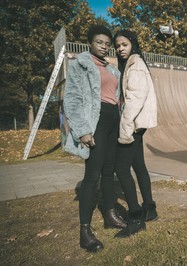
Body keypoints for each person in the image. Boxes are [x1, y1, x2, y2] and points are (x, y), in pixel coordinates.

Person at [63, 25, 126, 252]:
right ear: (90, 42)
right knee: (92, 175)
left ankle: (109, 215)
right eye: (99, 42)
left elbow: (118, 99)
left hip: (113, 122)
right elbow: (71, 99)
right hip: (95, 123)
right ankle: (85, 231)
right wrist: (82, 130)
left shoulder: (113, 70)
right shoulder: (80, 64)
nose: (104, 47)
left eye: (107, 44)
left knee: (109, 172)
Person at [113, 30, 158, 238]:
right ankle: (149, 208)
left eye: (124, 44)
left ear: (132, 44)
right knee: (138, 166)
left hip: (133, 124)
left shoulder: (135, 64)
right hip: (137, 124)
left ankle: (136, 216)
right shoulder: (133, 62)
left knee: (121, 168)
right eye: (118, 46)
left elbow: (135, 100)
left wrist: (125, 128)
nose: (120, 49)